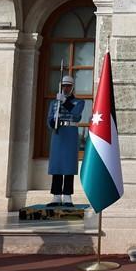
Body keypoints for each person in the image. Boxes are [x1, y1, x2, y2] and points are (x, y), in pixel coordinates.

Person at [46, 75, 85, 206]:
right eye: (64, 86)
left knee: (68, 165)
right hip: (58, 134)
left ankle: (67, 196)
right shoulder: (54, 103)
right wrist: (53, 120)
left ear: (72, 87)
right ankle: (56, 196)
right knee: (57, 165)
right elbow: (49, 120)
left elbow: (76, 114)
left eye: (68, 86)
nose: (66, 88)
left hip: (70, 133)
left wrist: (64, 102)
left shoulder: (78, 102)